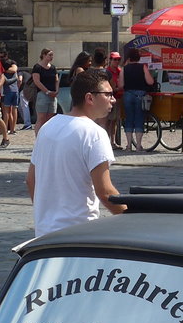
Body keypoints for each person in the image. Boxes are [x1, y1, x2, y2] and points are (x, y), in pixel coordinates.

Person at [25, 67, 125, 237]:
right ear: (90, 98)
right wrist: (131, 217)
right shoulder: (95, 133)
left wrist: (46, 216)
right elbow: (105, 192)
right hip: (78, 235)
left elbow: (30, 180)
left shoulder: (48, 126)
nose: (113, 99)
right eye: (108, 94)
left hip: (44, 234)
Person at [121, 46, 154, 152]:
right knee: (139, 118)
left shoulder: (124, 69)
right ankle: (138, 146)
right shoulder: (143, 67)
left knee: (129, 119)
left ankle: (129, 145)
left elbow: (121, 84)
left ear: (129, 58)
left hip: (128, 94)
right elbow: (150, 82)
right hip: (140, 95)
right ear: (139, 58)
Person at [30, 48, 59, 133]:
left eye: (52, 55)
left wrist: (56, 90)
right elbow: (37, 81)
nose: (51, 57)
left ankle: (48, 136)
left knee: (51, 118)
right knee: (41, 117)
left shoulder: (53, 67)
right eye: (49, 55)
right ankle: (38, 138)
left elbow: (56, 80)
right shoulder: (37, 67)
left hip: (53, 96)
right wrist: (47, 91)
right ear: (44, 55)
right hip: (42, 95)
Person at [104, 50, 123, 148]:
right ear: (110, 60)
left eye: (118, 59)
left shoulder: (120, 71)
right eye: (115, 59)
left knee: (115, 121)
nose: (117, 61)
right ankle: (106, 141)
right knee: (108, 120)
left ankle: (113, 142)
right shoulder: (107, 72)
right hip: (109, 99)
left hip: (118, 98)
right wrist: (116, 88)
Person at [0, 54, 21, 138]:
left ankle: (4, 129)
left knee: (6, 112)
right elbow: (17, 77)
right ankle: (12, 129)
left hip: (7, 91)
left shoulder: (3, 72)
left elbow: (6, 81)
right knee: (14, 110)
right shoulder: (14, 71)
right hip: (15, 91)